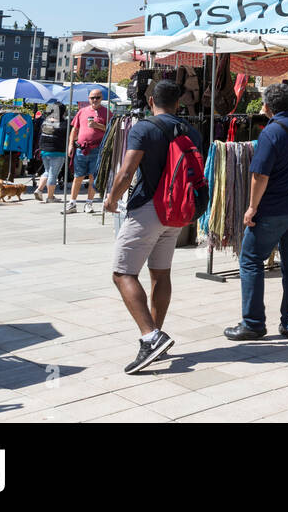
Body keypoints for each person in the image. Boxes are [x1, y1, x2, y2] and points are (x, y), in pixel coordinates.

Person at [104, 79, 204, 375]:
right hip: (176, 212)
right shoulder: (192, 131)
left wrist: (111, 199)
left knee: (122, 274)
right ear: (179, 103)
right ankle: (155, 339)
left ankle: (150, 336)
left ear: (150, 102)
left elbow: (127, 170)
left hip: (148, 209)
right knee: (161, 274)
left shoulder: (144, 128)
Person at [223, 82, 288, 341]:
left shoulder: (270, 133)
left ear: (267, 106)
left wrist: (252, 207)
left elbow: (259, 175)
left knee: (250, 260)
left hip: (273, 209)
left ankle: (253, 322)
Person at [65, 88, 110, 213]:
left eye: (97, 97)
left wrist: (97, 126)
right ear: (88, 99)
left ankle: (89, 203)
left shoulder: (107, 113)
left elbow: (111, 130)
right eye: (92, 97)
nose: (95, 100)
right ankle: (72, 203)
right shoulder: (82, 111)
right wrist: (70, 145)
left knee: (92, 177)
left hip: (96, 149)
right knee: (77, 176)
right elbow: (74, 130)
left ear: (102, 98)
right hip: (81, 148)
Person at [35, 102, 68, 203]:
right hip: (57, 151)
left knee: (47, 171)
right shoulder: (64, 124)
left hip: (44, 151)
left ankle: (39, 189)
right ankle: (50, 197)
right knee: (53, 174)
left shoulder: (46, 122)